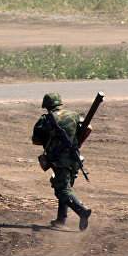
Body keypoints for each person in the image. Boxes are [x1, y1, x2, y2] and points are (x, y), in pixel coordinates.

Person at [32, 93, 92, 231]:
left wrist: (50, 139)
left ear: (47, 105)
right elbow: (89, 128)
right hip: (74, 157)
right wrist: (79, 143)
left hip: (59, 160)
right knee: (64, 185)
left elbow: (35, 140)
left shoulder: (45, 119)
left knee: (62, 189)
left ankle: (82, 210)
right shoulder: (74, 115)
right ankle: (61, 220)